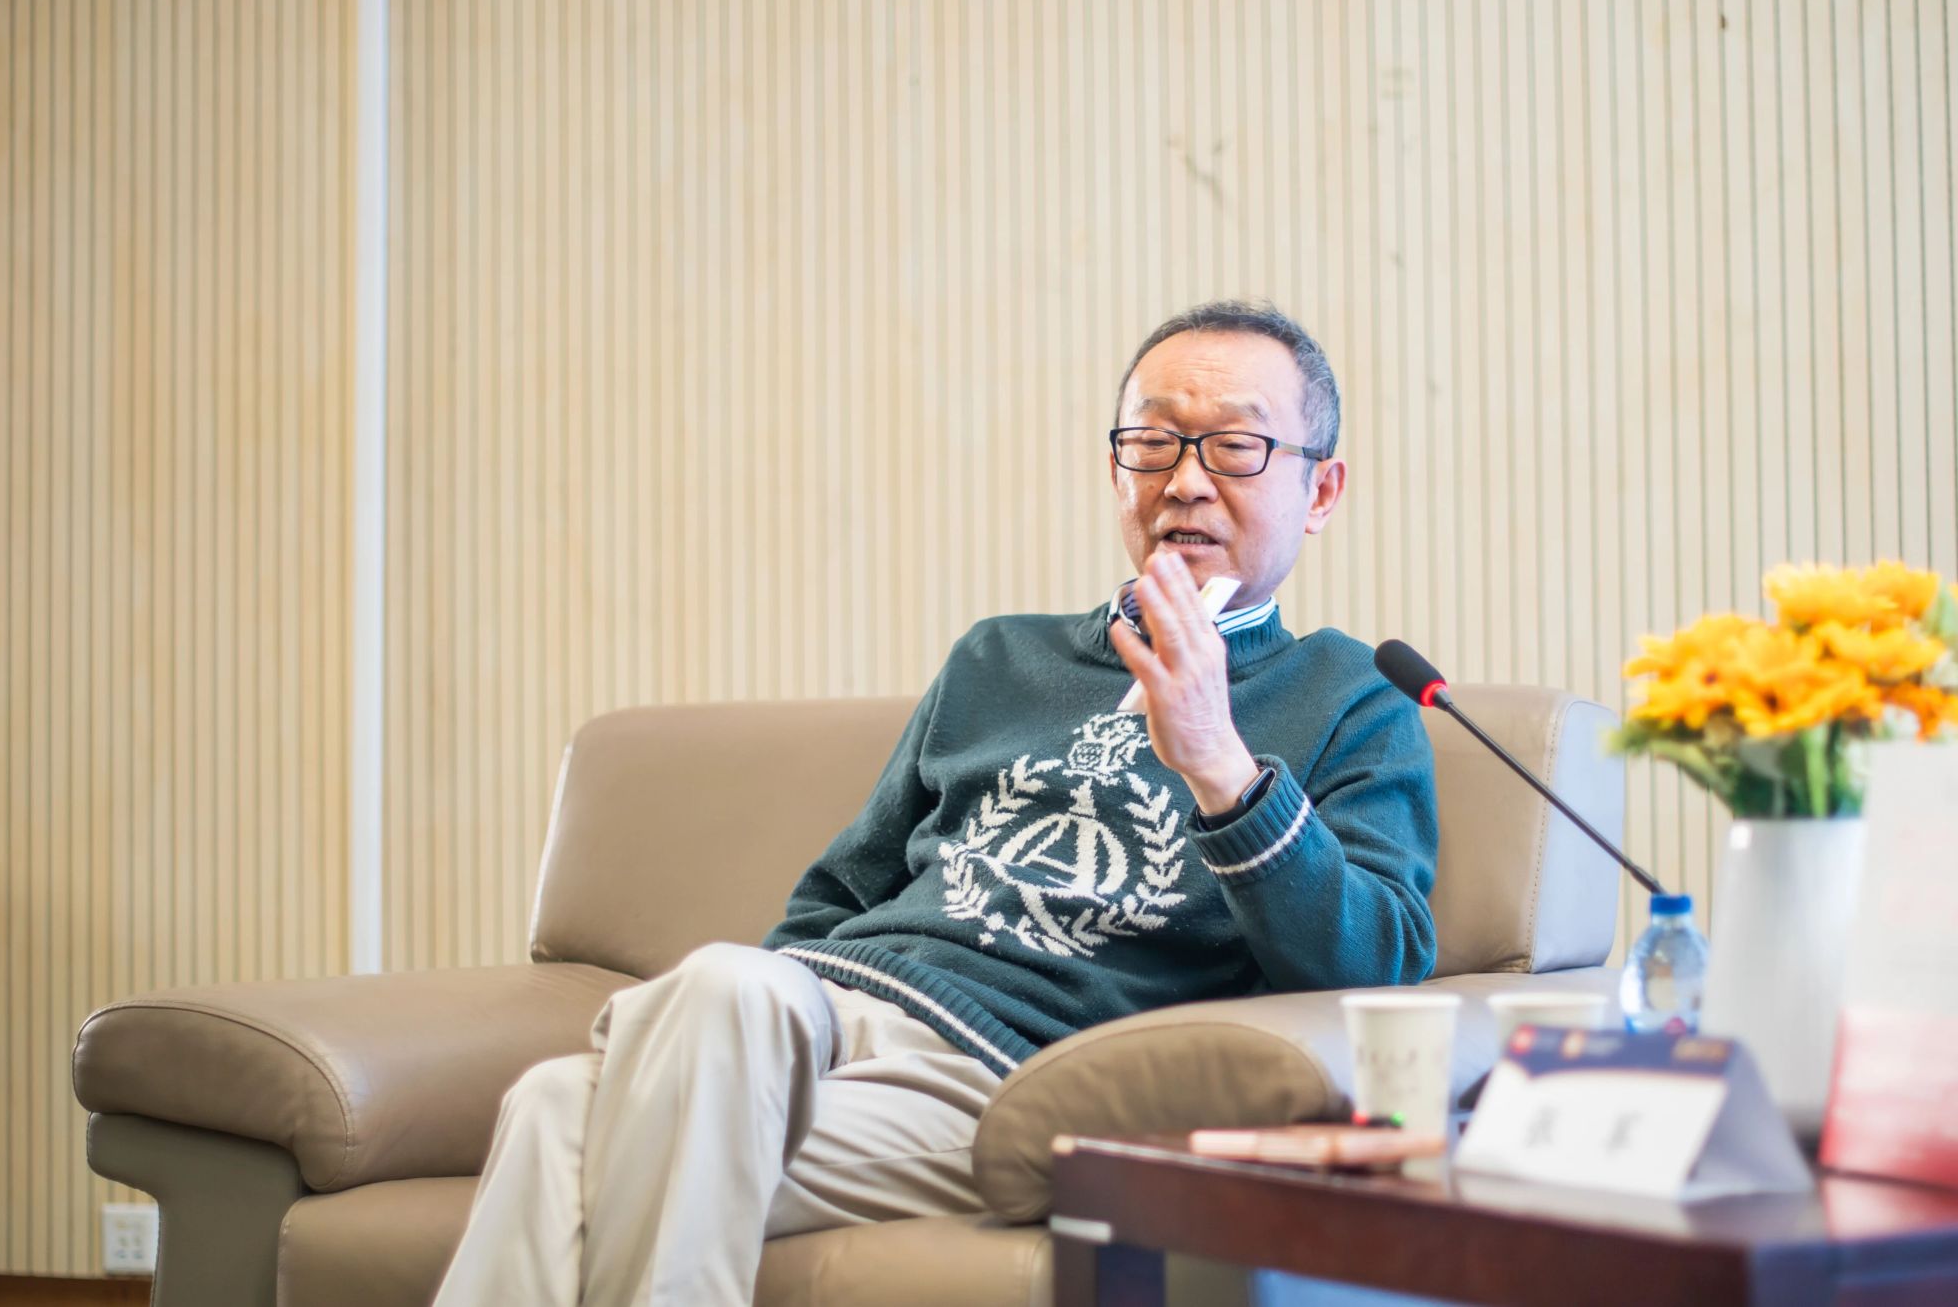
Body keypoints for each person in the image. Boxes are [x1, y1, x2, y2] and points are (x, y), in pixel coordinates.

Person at [431, 300, 1439, 1307]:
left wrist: (1218, 762)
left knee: (563, 1108)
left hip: (1006, 1075)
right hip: (824, 1011)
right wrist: (751, 1049)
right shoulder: (999, 657)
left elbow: (1376, 962)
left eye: (1234, 446)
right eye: (1151, 442)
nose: (1183, 481)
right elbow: (837, 894)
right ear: (1115, 468)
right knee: (705, 1004)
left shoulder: (1351, 696)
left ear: (1319, 490)